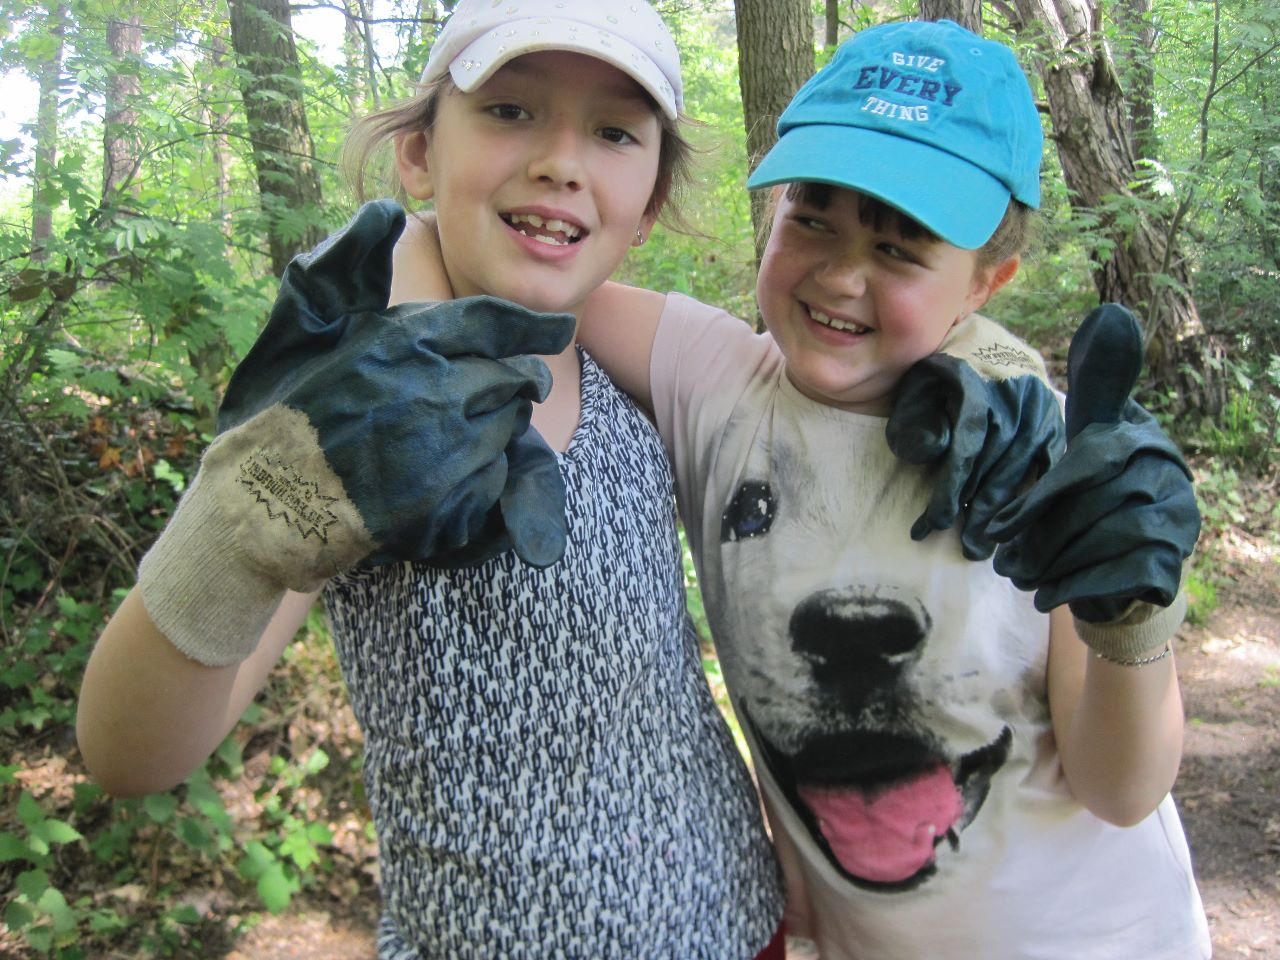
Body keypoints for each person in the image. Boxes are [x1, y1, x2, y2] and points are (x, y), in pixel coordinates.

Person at [75, 2, 786, 958]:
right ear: (418, 154)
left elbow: (819, 379)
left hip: (742, 919)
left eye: (616, 132)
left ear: (650, 198)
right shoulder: (361, 416)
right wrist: (242, 525)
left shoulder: (631, 363)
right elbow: (128, 754)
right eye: (509, 111)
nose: (562, 163)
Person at [566, 18, 1212, 959]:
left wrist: (1130, 618)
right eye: (813, 217)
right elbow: (527, 278)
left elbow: (1122, 789)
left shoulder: (1054, 464)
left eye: (902, 248)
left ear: (989, 279)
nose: (839, 273)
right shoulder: (713, 385)